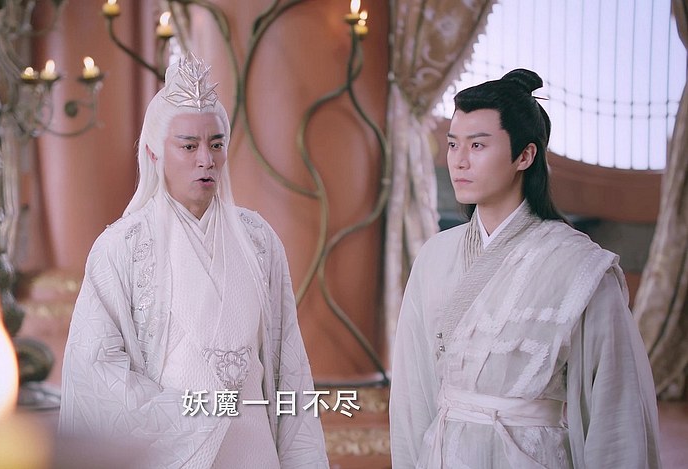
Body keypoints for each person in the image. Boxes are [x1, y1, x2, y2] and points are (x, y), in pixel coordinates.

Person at [59, 54, 329, 468]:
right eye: (188, 146)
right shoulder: (122, 247)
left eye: (216, 144)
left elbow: (288, 365)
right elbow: (96, 372)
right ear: (154, 153)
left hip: (255, 450)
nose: (206, 159)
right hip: (176, 456)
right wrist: (197, 418)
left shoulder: (259, 239)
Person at [389, 69, 661, 468]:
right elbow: (412, 395)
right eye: (452, 144)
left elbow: (615, 410)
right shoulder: (435, 256)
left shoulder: (578, 266)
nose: (459, 161)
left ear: (525, 155)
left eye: (477, 145)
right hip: (443, 454)